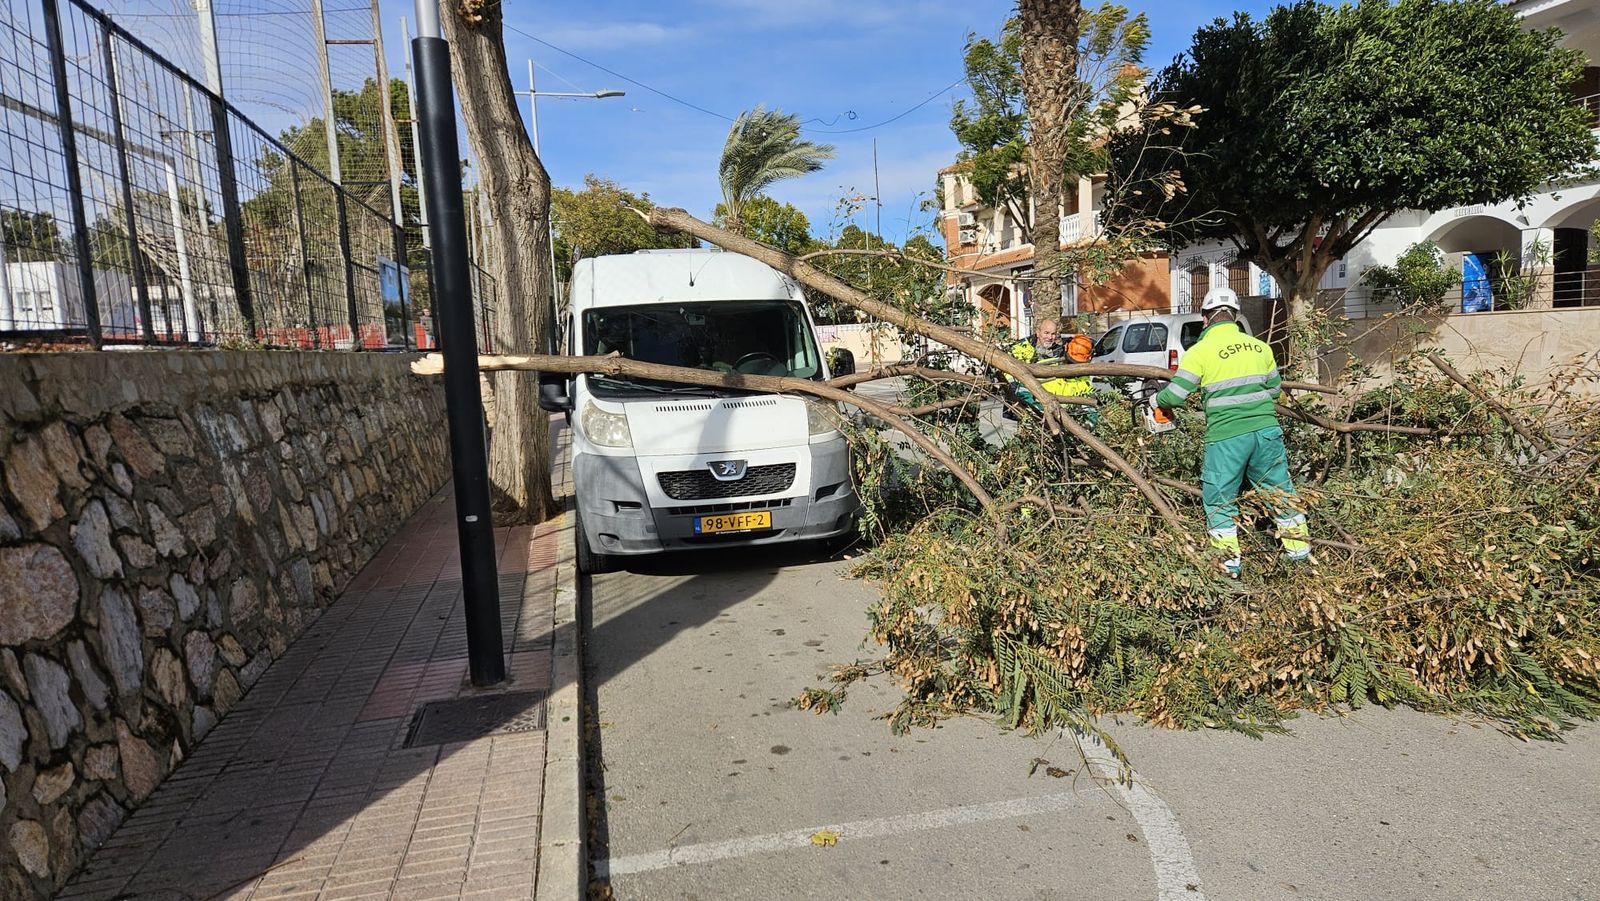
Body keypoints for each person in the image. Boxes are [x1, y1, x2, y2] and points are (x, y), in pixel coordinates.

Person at [1154, 286, 1310, 577]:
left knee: (1219, 499)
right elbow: (1275, 391)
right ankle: (1299, 556)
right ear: (1235, 315)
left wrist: (1156, 400)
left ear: (1205, 318)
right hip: (1266, 433)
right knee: (1280, 493)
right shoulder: (1260, 347)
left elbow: (1175, 396)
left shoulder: (1200, 351)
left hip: (1226, 438)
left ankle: (1228, 567)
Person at [1008, 320, 1095, 413]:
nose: (1050, 337)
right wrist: (1014, 387)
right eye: (1046, 333)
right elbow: (1008, 369)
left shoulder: (1058, 353)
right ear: (1038, 332)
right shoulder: (1020, 347)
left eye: (1053, 334)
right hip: (1022, 400)